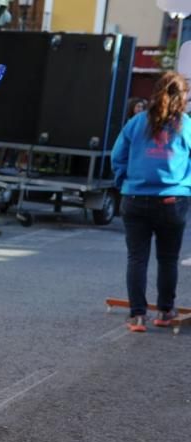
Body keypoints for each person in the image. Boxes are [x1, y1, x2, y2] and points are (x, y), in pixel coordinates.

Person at [111, 71, 191, 332]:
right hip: (172, 198)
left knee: (137, 258)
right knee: (168, 259)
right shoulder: (186, 125)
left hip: (135, 197)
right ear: (183, 98)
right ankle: (166, 313)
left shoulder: (137, 122)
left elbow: (117, 155)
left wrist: (124, 181)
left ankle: (137, 316)